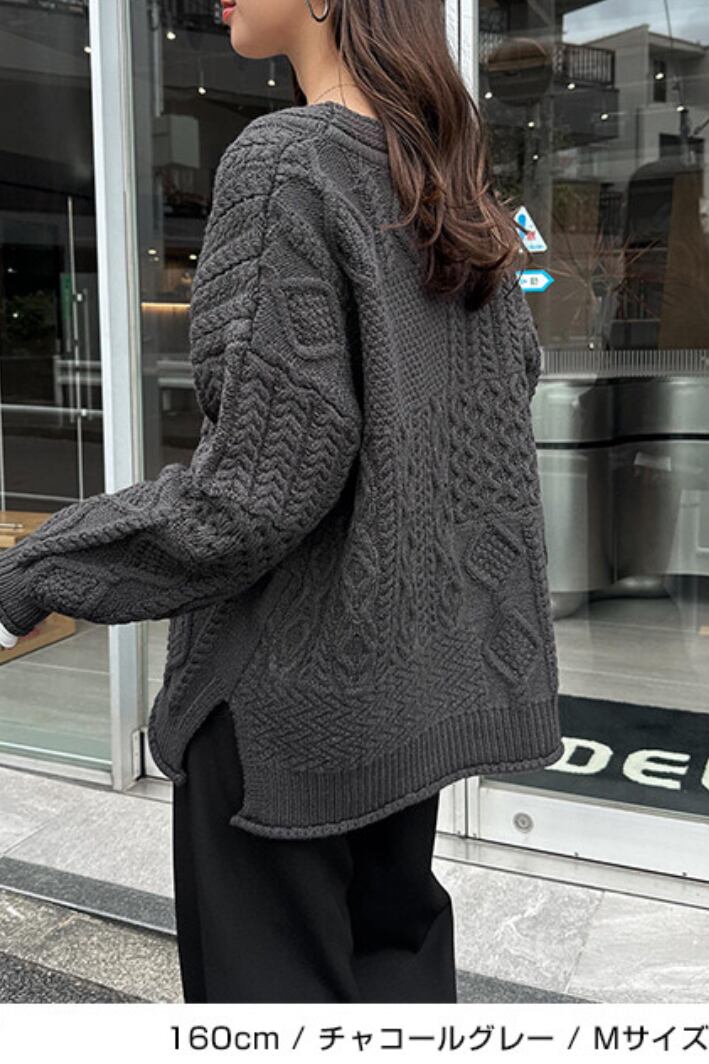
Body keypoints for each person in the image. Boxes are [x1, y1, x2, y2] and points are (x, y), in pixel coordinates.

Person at [0, 0, 562, 1003]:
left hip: (284, 712)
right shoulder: (445, 176)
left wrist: (35, 567)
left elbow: (247, 497)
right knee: (396, 972)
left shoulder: (285, 162)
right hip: (408, 691)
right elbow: (495, 402)